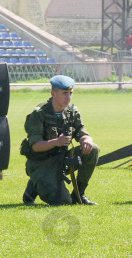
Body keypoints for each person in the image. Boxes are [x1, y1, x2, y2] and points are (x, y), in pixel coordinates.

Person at [21, 75, 99, 206]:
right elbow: (35, 146)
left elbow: (82, 132)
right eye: (64, 93)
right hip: (41, 163)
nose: (68, 97)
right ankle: (34, 185)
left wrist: (87, 140)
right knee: (63, 201)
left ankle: (79, 194)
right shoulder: (39, 113)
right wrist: (57, 142)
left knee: (94, 149)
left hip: (62, 160)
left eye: (70, 93)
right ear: (53, 93)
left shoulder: (71, 112)